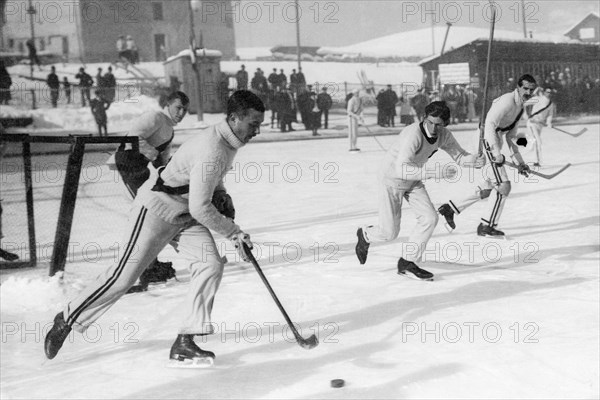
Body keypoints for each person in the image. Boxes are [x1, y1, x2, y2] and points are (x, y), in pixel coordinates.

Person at [44, 90, 266, 366]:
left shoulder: (228, 141)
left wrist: (222, 194)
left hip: (183, 213)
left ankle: (186, 340)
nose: (257, 130)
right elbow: (201, 207)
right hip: (156, 209)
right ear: (234, 118)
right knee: (123, 278)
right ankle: (68, 318)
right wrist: (233, 232)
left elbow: (204, 182)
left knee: (209, 264)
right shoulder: (214, 147)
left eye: (259, 124)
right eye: (253, 124)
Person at [355, 101, 485, 280]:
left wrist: (473, 160)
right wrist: (436, 172)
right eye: (429, 122)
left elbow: (460, 156)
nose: (433, 128)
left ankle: (407, 262)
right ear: (424, 118)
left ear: (445, 124)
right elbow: (402, 169)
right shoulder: (413, 134)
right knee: (389, 233)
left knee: (430, 218)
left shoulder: (444, 135)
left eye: (438, 124)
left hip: (413, 179)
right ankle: (365, 234)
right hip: (392, 179)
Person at [107, 91, 190, 292]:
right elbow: (132, 139)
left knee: (151, 213)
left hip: (140, 168)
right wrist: (153, 154)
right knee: (145, 213)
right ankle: (139, 269)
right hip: (127, 164)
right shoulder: (155, 117)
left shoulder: (169, 129)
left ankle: (150, 265)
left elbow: (163, 159)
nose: (181, 113)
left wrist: (170, 172)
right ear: (168, 104)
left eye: (185, 110)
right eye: (178, 108)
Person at [437, 74, 536, 237]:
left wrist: (520, 162)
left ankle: (450, 208)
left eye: (531, 90)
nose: (528, 92)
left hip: (495, 141)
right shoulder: (507, 101)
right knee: (503, 186)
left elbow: (510, 137)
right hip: (486, 140)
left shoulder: (520, 107)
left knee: (489, 188)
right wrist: (495, 152)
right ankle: (486, 226)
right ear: (518, 87)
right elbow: (489, 124)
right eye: (525, 88)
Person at [525, 87, 555, 167]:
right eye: (547, 92)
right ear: (544, 92)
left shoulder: (550, 104)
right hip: (532, 123)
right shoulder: (537, 98)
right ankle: (537, 161)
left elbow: (550, 115)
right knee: (537, 141)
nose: (549, 93)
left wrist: (549, 122)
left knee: (535, 142)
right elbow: (524, 104)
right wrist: (526, 115)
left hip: (540, 125)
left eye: (550, 92)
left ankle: (536, 161)